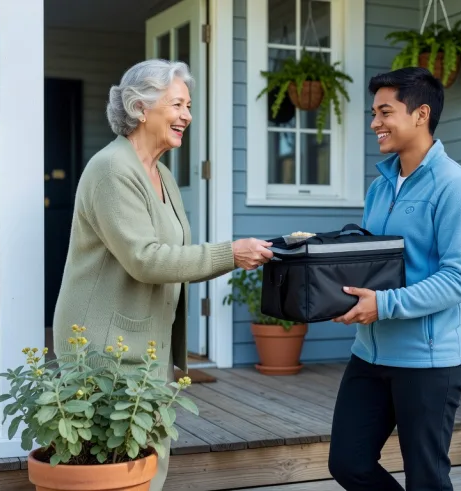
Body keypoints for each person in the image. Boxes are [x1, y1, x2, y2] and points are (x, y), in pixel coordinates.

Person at [50, 59, 273, 490]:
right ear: (139, 107)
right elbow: (146, 259)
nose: (187, 115)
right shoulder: (113, 170)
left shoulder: (163, 175)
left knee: (150, 468)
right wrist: (232, 253)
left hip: (143, 346)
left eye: (188, 105)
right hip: (102, 347)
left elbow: (174, 251)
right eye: (177, 104)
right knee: (120, 474)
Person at [327, 67, 461, 490]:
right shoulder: (380, 187)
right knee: (348, 462)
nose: (375, 123)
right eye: (373, 112)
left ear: (421, 114)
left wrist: (383, 304)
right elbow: (370, 263)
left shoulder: (455, 188)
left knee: (426, 479)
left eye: (384, 112)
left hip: (428, 362)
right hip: (370, 355)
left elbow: (457, 280)